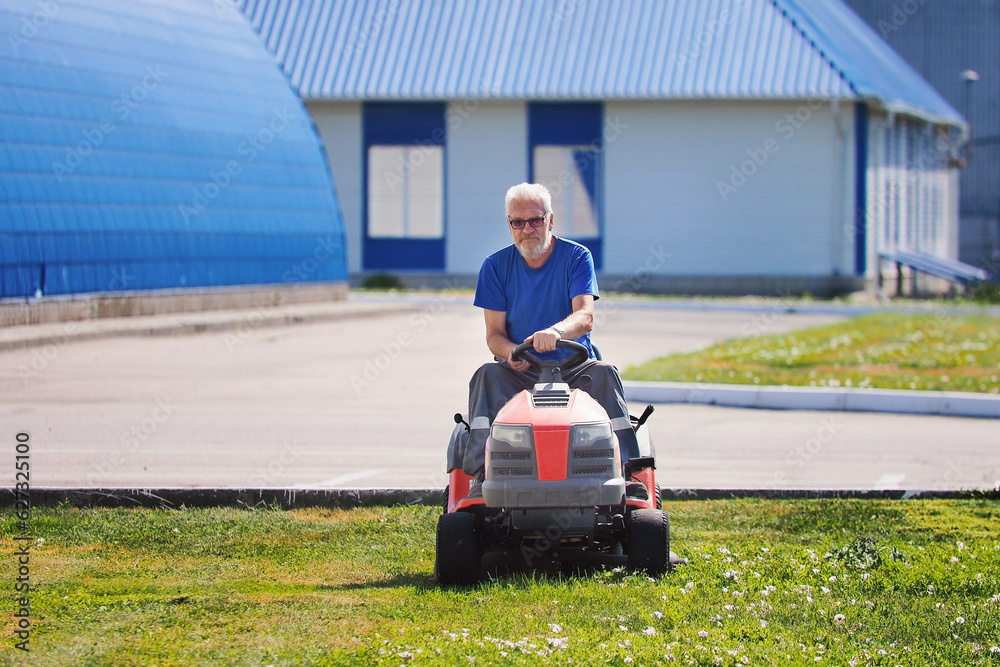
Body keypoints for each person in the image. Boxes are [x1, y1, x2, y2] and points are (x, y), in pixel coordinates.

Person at [464, 182, 640, 495]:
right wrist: (511, 352)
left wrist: (556, 333)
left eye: (535, 220)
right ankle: (481, 474)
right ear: (509, 224)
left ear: (550, 220)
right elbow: (494, 335)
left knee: (605, 373)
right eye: (518, 222)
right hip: (522, 370)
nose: (527, 229)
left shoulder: (577, 257)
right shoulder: (495, 267)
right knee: (486, 376)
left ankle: (628, 472)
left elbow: (584, 317)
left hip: (572, 368)